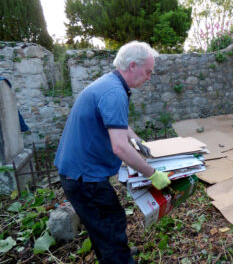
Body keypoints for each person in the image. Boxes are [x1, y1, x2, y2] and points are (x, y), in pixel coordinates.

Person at [54, 41, 171, 264]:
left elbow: (116, 124)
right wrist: (152, 173)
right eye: (147, 72)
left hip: (77, 172)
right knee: (110, 222)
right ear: (133, 66)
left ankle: (116, 254)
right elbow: (119, 147)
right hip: (84, 177)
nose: (149, 77)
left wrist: (137, 140)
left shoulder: (109, 84)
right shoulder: (114, 92)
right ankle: (119, 258)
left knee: (102, 225)